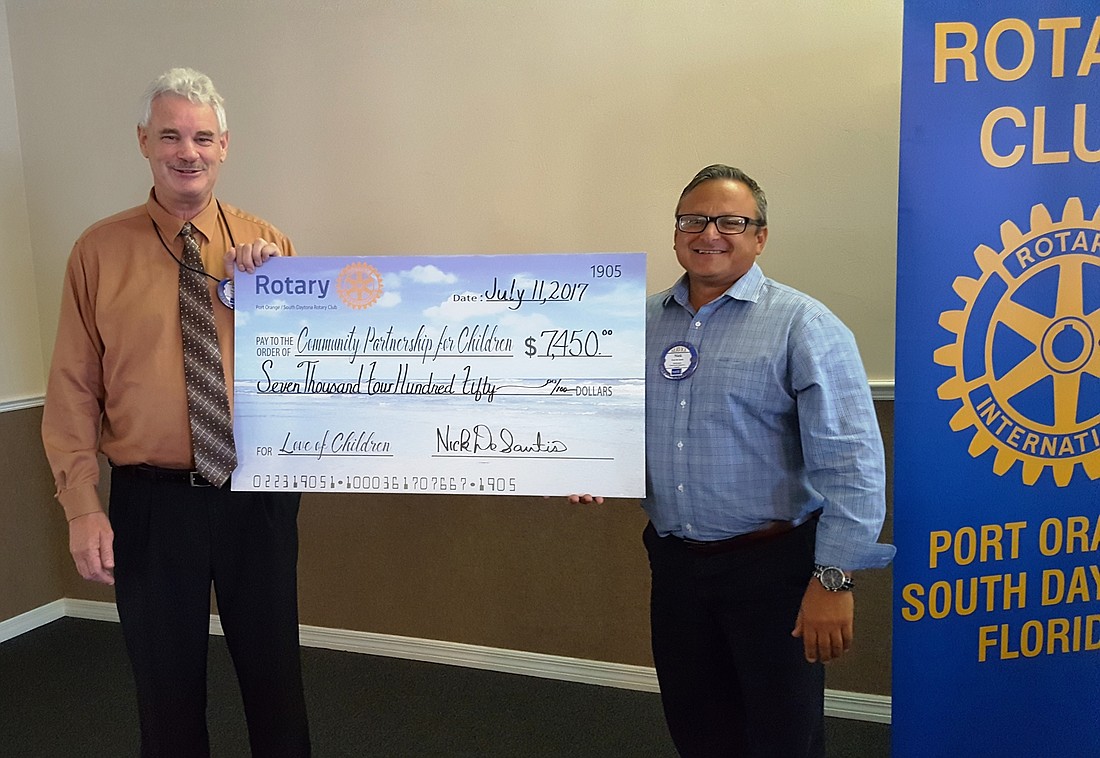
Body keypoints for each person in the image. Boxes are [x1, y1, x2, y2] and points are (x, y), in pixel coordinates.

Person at [573, 164, 894, 757]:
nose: (709, 233)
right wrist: (582, 464)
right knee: (698, 727)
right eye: (692, 220)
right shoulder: (633, 322)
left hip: (773, 570)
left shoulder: (804, 325)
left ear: (760, 236)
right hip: (675, 566)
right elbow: (605, 419)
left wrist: (834, 578)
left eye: (730, 221)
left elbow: (851, 464)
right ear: (675, 234)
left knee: (782, 737)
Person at [42, 68, 310, 757]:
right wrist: (80, 505)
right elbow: (72, 386)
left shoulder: (269, 250)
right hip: (151, 504)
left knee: (277, 685)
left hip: (258, 497)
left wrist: (278, 292)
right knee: (165, 697)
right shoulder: (96, 253)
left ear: (225, 146)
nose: (186, 151)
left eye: (201, 137)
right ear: (143, 142)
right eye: (170, 135)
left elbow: (310, 373)